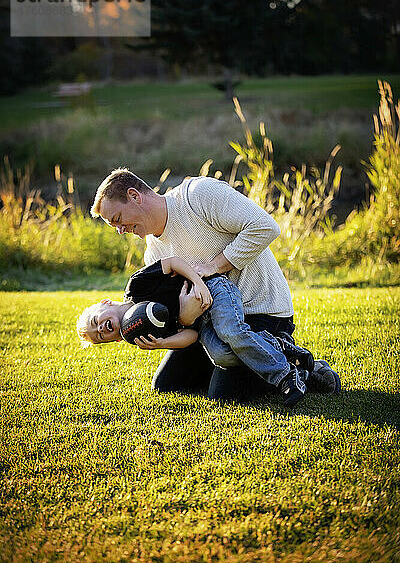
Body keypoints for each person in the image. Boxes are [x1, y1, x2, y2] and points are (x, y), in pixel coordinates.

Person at [89, 168, 341, 401]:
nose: (120, 230)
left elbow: (265, 227)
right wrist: (185, 321)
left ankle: (299, 364)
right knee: (168, 384)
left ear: (134, 196)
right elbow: (184, 312)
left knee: (223, 395)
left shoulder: (198, 196)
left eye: (118, 219)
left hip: (261, 313)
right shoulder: (153, 256)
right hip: (211, 324)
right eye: (114, 226)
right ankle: (240, 364)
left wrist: (212, 267)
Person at [77, 256, 317, 407]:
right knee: (222, 356)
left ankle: (285, 376)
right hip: (202, 324)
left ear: (106, 303)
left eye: (97, 321)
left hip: (212, 290)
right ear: (114, 340)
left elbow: (173, 262)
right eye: (100, 336)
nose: (101, 329)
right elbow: (191, 336)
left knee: (231, 331)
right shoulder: (138, 334)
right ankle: (278, 345)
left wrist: (200, 281)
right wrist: (162, 343)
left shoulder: (136, 285)